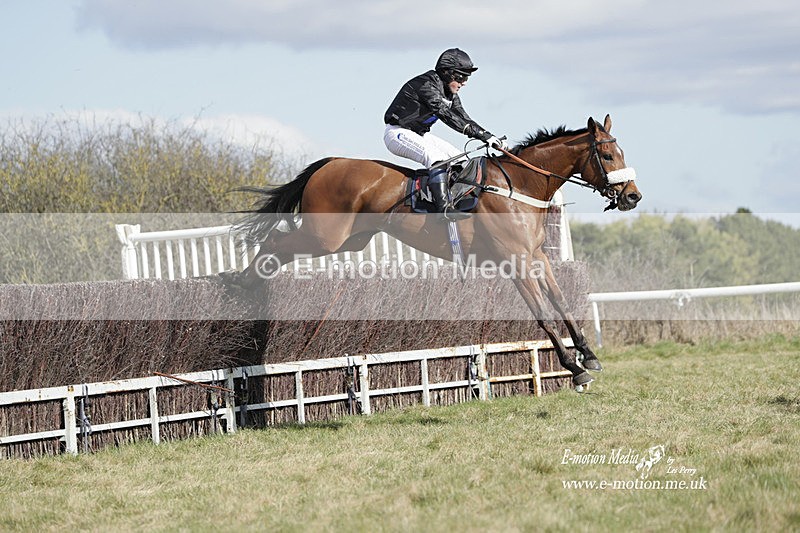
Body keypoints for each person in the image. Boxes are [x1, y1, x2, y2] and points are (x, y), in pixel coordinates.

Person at [384, 48, 507, 220]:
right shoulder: (427, 86)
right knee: (437, 159)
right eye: (462, 77)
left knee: (462, 160)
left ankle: (456, 200)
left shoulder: (450, 93)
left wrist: (489, 136)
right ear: (448, 74)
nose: (464, 83)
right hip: (397, 133)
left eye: (466, 78)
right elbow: (447, 116)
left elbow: (464, 118)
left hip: (420, 135)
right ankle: (443, 210)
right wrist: (482, 136)